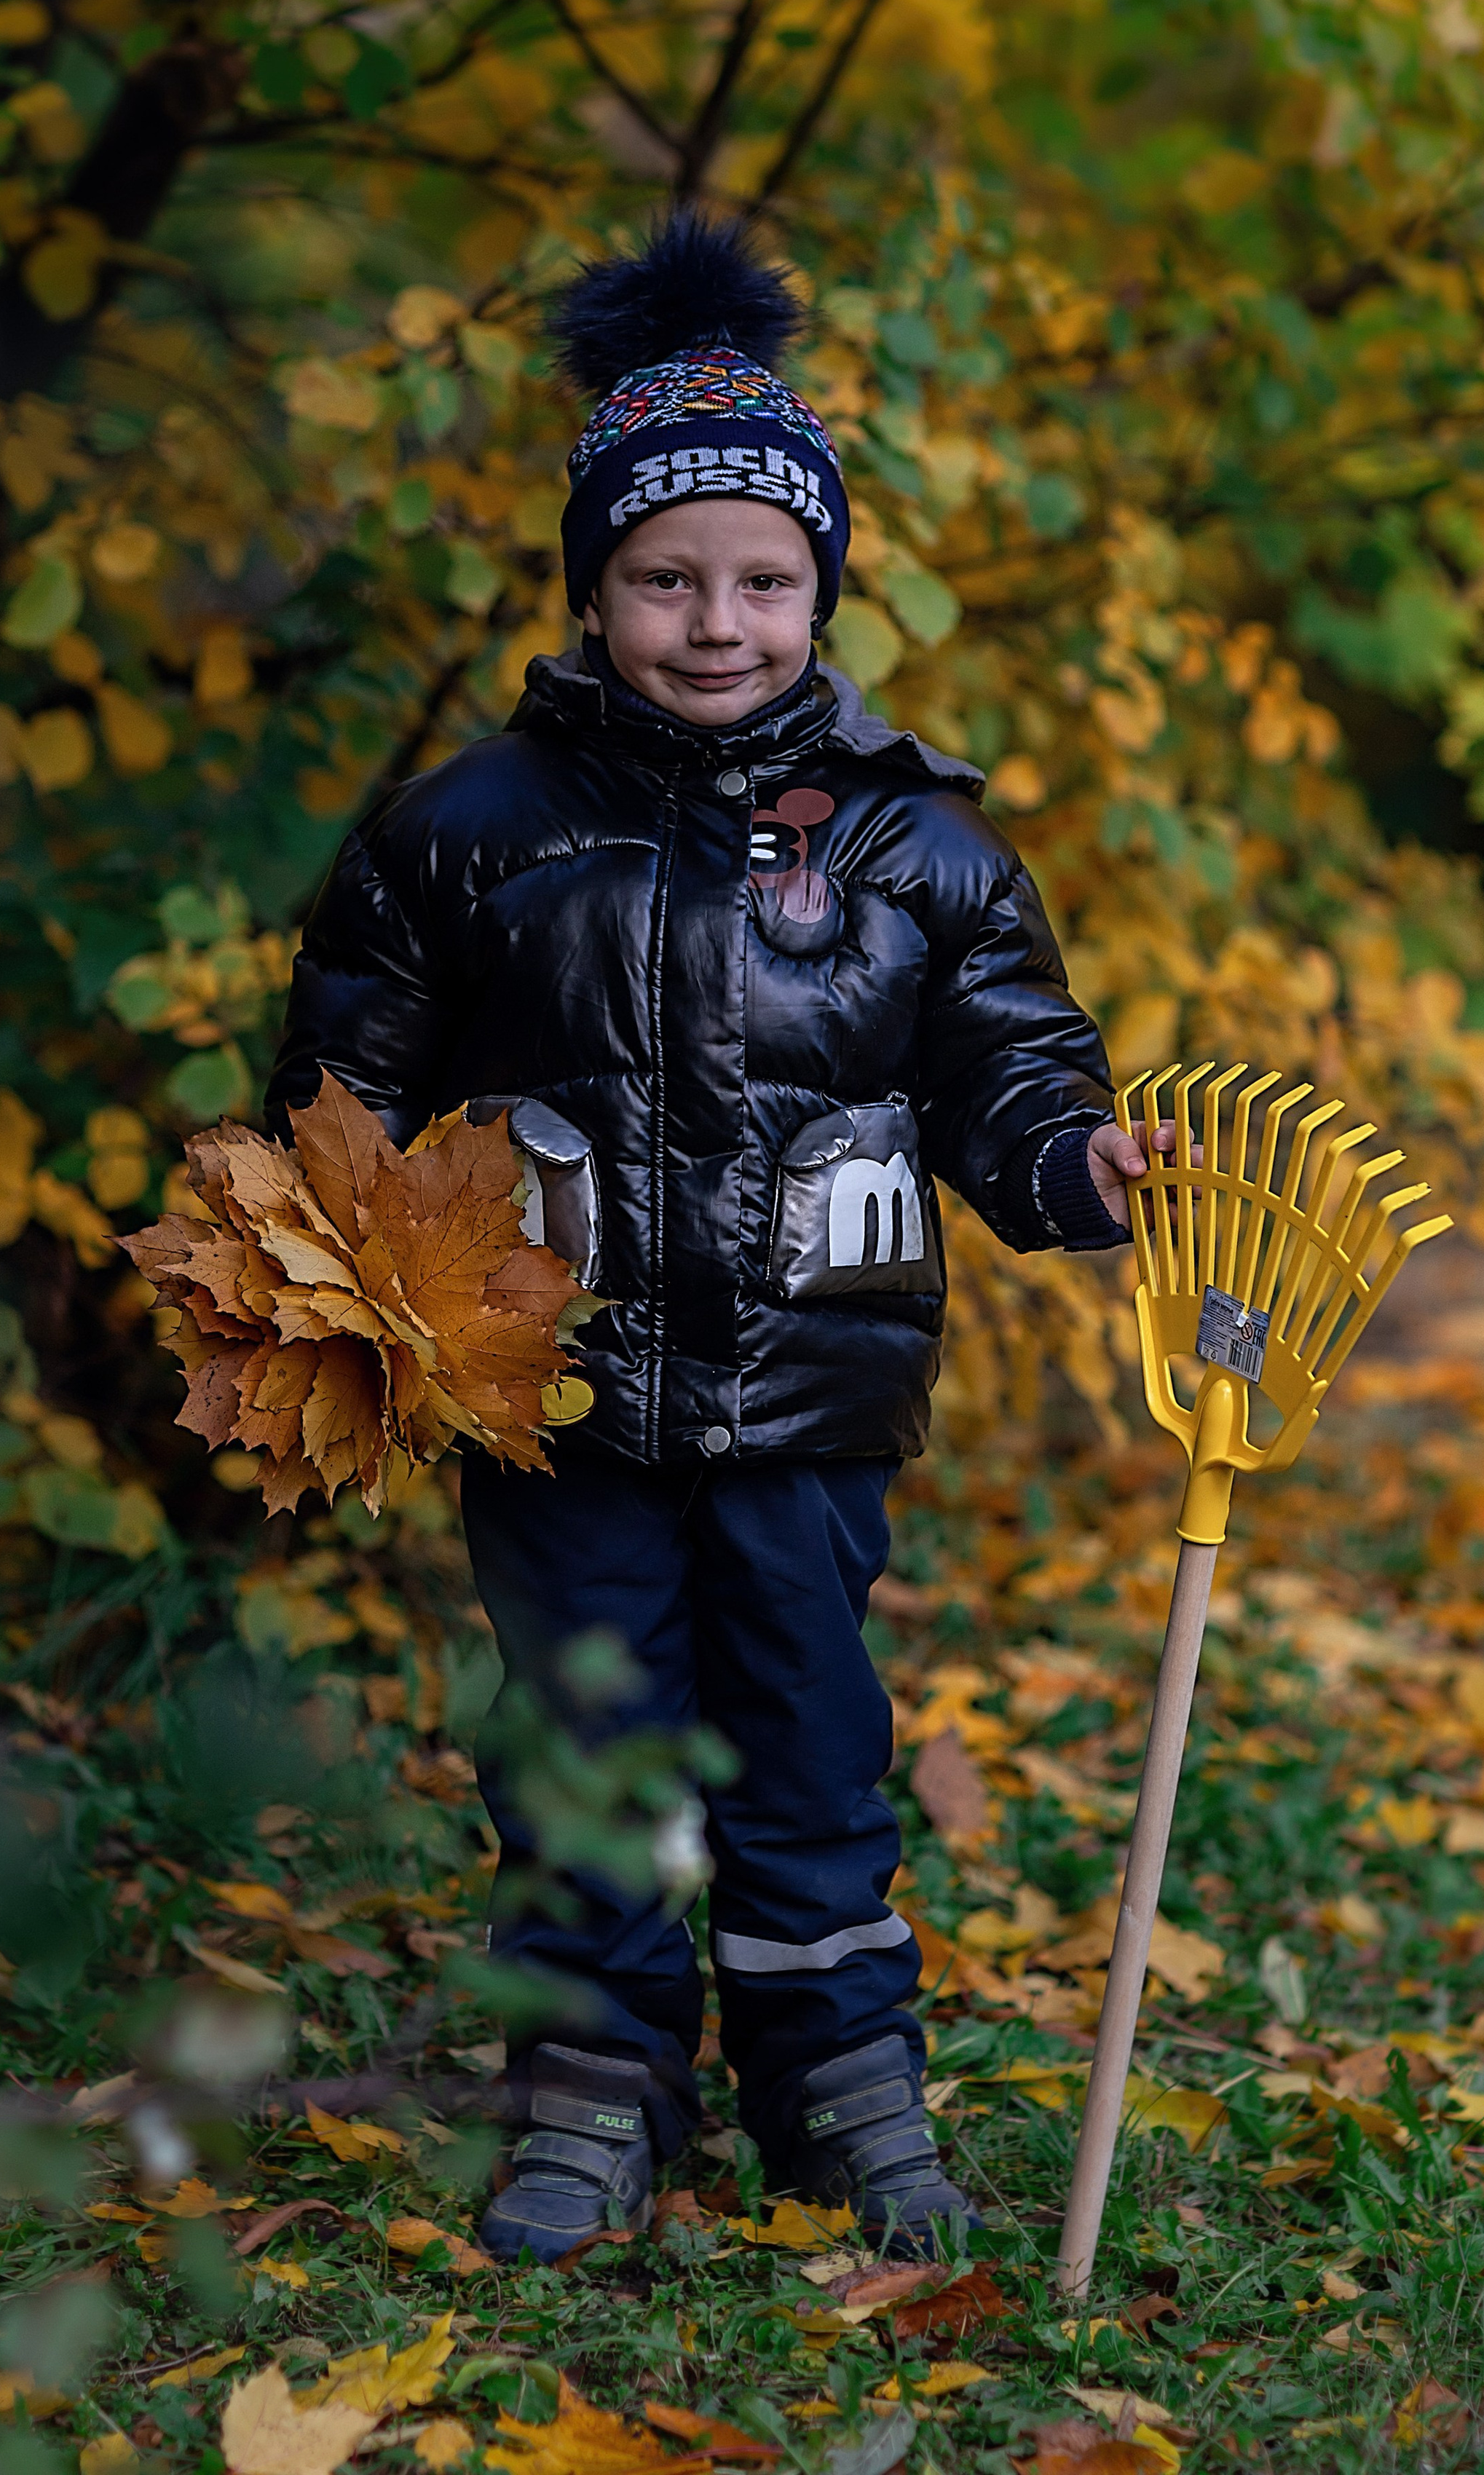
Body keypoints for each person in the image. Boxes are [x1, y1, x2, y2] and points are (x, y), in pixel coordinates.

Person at [267, 210, 1158, 2264]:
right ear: (592, 591)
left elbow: (1007, 1076)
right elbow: (346, 1083)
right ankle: (592, 2095)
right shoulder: (469, 832)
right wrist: (311, 1254)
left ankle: (840, 2081)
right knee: (581, 1740)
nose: (719, 620)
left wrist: (1077, 1165)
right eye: (667, 580)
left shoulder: (919, 846)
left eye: (766, 579)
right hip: (547, 1390)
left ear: (825, 591)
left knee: (808, 1743)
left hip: (808, 1393)